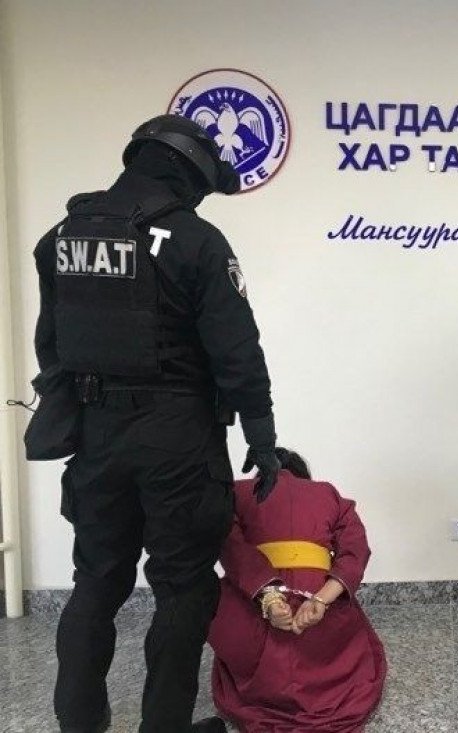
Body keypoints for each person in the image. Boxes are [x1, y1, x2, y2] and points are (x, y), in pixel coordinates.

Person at [32, 114, 281, 733]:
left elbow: (51, 345)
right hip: (177, 439)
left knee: (95, 581)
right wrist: (262, 435)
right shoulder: (198, 241)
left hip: (97, 435)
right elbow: (236, 351)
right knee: (183, 587)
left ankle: (78, 723)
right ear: (186, 171)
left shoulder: (61, 236)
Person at [205, 448, 386, 732]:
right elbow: (356, 549)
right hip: (318, 620)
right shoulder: (327, 493)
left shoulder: (236, 494)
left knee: (218, 603)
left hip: (255, 612)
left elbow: (230, 546)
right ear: (303, 475)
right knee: (351, 628)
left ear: (259, 474)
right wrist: (321, 600)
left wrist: (269, 597)